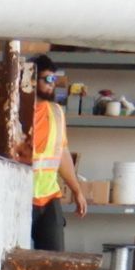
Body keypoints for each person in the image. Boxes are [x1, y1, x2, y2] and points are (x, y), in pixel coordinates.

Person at [32, 56, 88, 250]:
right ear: (32, 80)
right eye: (47, 79)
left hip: (49, 196)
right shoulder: (16, 111)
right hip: (20, 198)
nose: (52, 84)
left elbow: (62, 154)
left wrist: (77, 191)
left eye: (54, 80)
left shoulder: (56, 112)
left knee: (55, 260)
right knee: (17, 261)